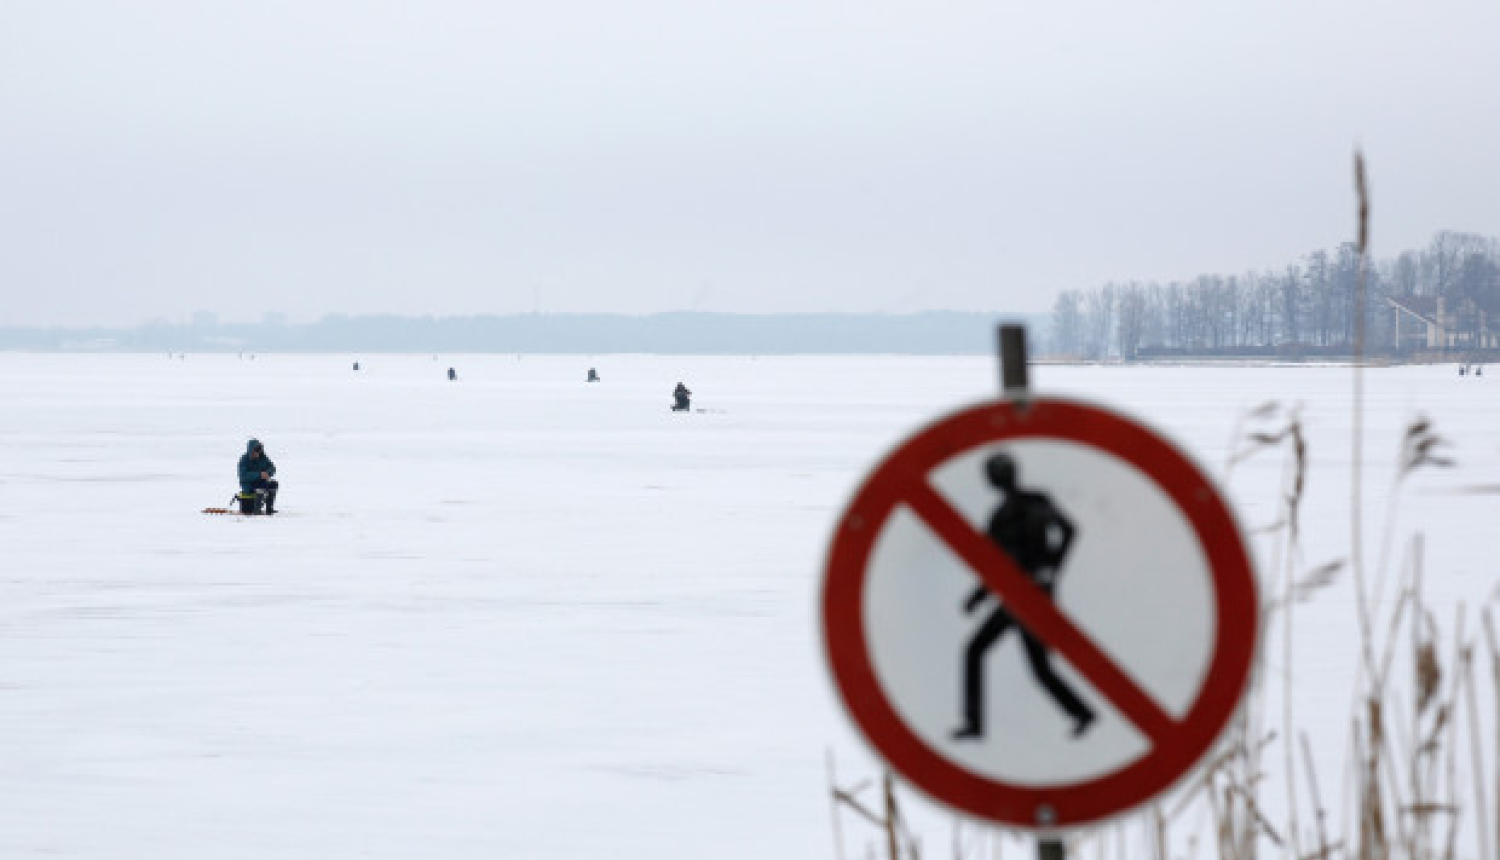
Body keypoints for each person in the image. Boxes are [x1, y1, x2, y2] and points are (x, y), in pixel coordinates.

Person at [952, 452, 1094, 741]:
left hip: (1034, 596)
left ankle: (1082, 714)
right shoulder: (998, 517)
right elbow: (996, 565)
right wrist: (978, 596)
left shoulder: (1034, 501)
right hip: (1013, 597)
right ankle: (975, 724)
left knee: (1032, 665)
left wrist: (1052, 567)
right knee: (992, 655)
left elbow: (1068, 530)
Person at [237, 439, 279, 515]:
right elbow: (243, 475)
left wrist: (268, 473)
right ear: (251, 451)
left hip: (261, 482)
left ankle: (269, 509)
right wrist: (259, 475)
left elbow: (272, 467)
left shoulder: (263, 457)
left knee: (274, 484)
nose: (257, 454)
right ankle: (257, 510)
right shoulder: (244, 459)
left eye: (259, 451)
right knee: (261, 486)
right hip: (248, 485)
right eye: (255, 451)